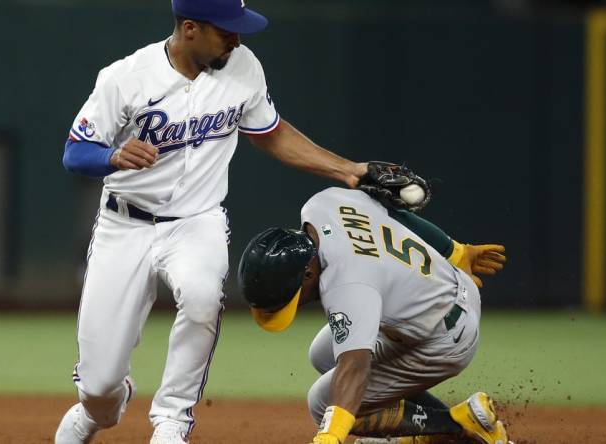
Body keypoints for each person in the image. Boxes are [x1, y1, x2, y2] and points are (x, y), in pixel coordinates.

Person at [54, 0, 367, 443]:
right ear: (190, 29)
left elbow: (271, 133)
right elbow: (75, 152)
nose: (236, 38)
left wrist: (348, 170)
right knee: (99, 387)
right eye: (226, 30)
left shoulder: (243, 67)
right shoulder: (125, 77)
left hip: (196, 222)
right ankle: (100, 406)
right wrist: (112, 156)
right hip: (125, 225)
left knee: (202, 298)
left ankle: (172, 420)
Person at [237, 187, 510, 444]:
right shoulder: (322, 205)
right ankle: (454, 419)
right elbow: (392, 212)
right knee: (322, 354)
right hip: (444, 285)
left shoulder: (348, 285)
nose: (295, 306)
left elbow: (355, 367)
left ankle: (458, 427)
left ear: (308, 274)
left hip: (444, 338)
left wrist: (330, 436)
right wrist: (454, 250)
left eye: (292, 299)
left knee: (322, 403)